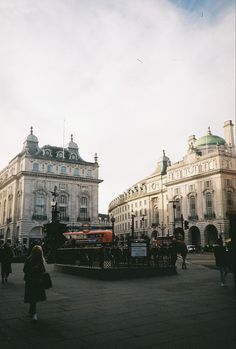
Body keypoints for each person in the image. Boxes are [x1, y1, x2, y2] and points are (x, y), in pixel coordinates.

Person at [23, 245, 47, 321]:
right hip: (32, 280)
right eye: (37, 252)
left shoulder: (39, 259)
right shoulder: (29, 259)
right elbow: (25, 269)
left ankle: (32, 311)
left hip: (35, 280)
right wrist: (33, 269)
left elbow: (43, 270)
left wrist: (38, 268)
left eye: (39, 252)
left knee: (33, 297)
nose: (38, 254)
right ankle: (34, 313)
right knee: (33, 296)